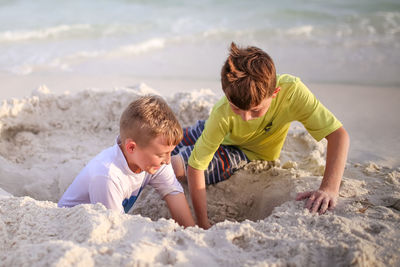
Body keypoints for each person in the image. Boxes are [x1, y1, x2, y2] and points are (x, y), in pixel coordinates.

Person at [171, 42, 350, 229]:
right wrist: (203, 221)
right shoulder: (222, 112)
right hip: (212, 129)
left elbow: (338, 135)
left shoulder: (293, 92)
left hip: (242, 152)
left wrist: (329, 188)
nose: (246, 118)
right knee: (165, 140)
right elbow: (197, 166)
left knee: (175, 165)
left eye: (255, 110)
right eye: (236, 108)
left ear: (275, 93)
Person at [58, 95, 195, 228]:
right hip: (69, 227)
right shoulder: (107, 176)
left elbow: (174, 194)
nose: (167, 160)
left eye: (170, 152)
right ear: (131, 147)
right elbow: (115, 229)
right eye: (161, 154)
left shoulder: (154, 161)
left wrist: (192, 234)